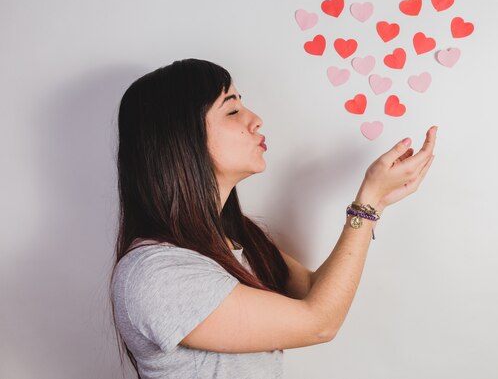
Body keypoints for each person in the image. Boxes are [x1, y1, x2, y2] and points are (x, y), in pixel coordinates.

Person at [109, 58, 437, 379]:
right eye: (232, 109)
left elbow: (312, 290)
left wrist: (374, 204)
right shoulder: (156, 274)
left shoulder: (237, 237)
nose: (256, 120)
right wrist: (364, 207)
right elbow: (318, 323)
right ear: (181, 139)